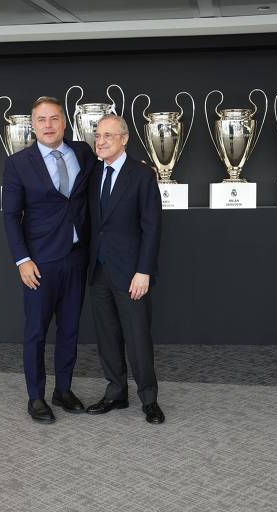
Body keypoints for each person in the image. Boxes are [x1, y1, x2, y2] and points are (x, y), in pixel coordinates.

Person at [2, 96, 96, 424]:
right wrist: (22, 260)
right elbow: (11, 217)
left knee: (69, 329)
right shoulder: (17, 164)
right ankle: (36, 397)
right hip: (39, 262)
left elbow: (111, 162)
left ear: (64, 122)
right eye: (41, 119)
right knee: (36, 332)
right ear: (33, 125)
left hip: (76, 257)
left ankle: (63, 389)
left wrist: (139, 166)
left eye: (54, 118)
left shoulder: (82, 152)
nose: (48, 125)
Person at [85, 114, 165, 424]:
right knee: (107, 336)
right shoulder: (93, 173)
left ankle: (149, 399)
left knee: (137, 337)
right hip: (98, 270)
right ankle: (116, 393)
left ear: (125, 139)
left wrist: (144, 271)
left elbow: (152, 227)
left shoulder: (142, 176)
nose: (101, 140)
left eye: (108, 135)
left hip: (132, 273)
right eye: (98, 135)